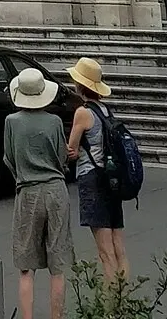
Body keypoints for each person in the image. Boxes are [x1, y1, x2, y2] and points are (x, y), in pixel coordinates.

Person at [2, 67, 73, 319]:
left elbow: (8, 158)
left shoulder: (11, 122)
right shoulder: (54, 122)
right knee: (58, 266)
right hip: (55, 189)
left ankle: (28, 317)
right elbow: (63, 157)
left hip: (28, 190)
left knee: (26, 266)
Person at [65, 57, 127, 283]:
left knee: (104, 252)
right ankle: (125, 301)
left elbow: (71, 150)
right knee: (118, 247)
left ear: (80, 85)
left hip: (92, 178)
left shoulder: (82, 113)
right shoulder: (105, 109)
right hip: (112, 179)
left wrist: (70, 150)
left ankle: (110, 306)